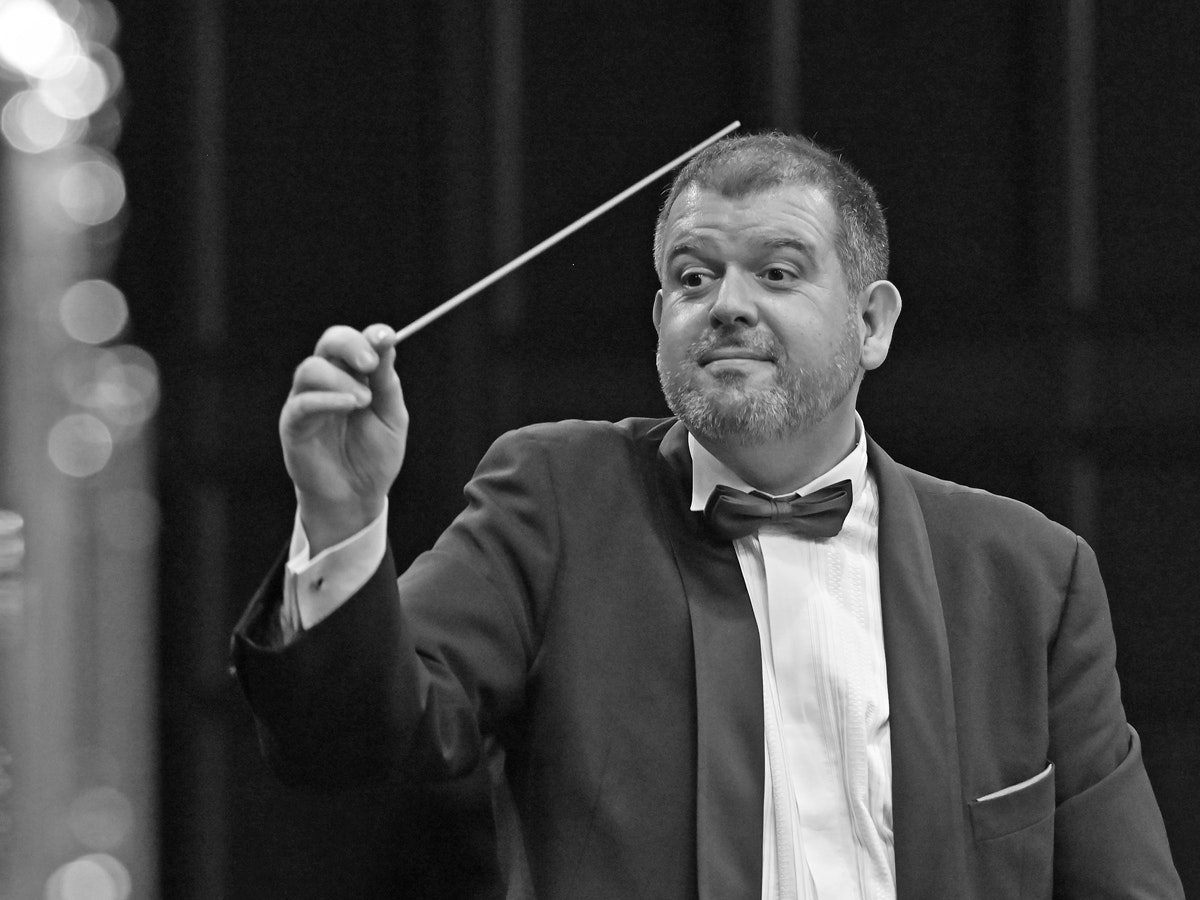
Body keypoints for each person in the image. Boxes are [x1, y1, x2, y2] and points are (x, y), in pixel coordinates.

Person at [232, 133, 1183, 898]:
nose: (726, 305)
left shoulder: (1027, 573)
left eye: (777, 273)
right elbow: (353, 744)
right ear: (658, 326)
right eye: (693, 278)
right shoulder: (556, 499)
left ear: (874, 323)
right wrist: (344, 513)